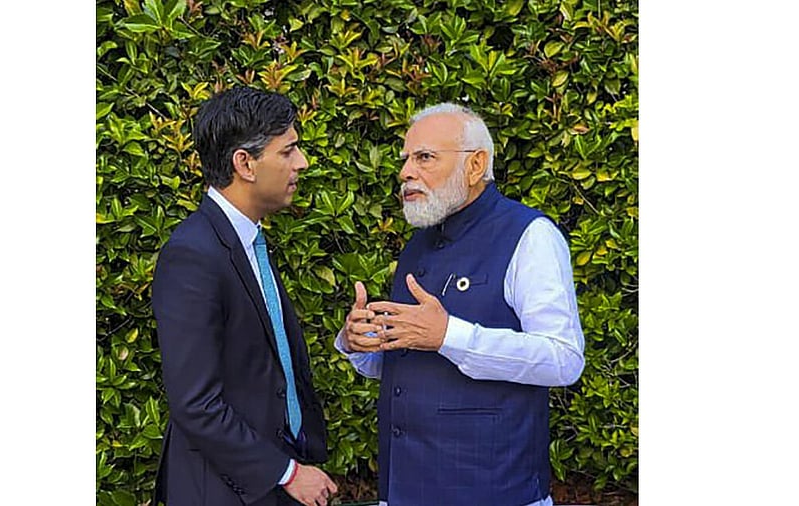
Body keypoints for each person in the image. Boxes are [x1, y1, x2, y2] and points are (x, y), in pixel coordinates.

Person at [335, 103, 586, 506]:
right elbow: (412, 357)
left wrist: (448, 335)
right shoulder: (419, 242)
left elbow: (563, 359)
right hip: (403, 490)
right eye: (405, 159)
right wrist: (359, 342)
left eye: (425, 158)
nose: (405, 172)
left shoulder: (530, 236)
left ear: (475, 165)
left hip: (495, 492)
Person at [152, 86, 337, 506]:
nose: (302, 163)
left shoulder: (246, 241)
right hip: (223, 491)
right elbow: (196, 404)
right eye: (288, 151)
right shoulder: (193, 255)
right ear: (245, 164)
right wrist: (287, 473)